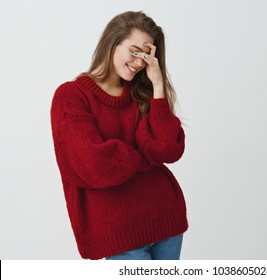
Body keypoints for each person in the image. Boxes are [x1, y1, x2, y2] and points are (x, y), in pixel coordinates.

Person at [50, 11, 188, 260]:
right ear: (113, 42)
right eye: (134, 51)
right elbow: (93, 164)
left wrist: (158, 86)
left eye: (145, 57)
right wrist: (145, 159)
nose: (139, 62)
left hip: (165, 220)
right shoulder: (71, 97)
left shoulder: (142, 95)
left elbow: (167, 150)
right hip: (119, 234)